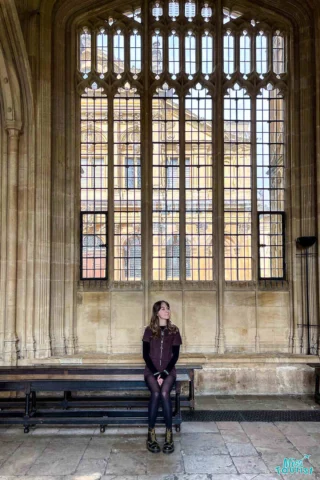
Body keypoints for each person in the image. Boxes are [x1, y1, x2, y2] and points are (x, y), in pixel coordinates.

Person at [142, 300, 182, 454]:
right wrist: (157, 373)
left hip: (169, 371)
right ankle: (151, 434)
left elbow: (175, 355)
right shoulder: (149, 331)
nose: (167, 311)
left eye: (168, 308)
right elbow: (145, 355)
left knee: (165, 393)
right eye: (163, 309)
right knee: (156, 393)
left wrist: (164, 373)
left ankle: (169, 434)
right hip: (151, 371)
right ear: (157, 312)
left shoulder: (174, 330)